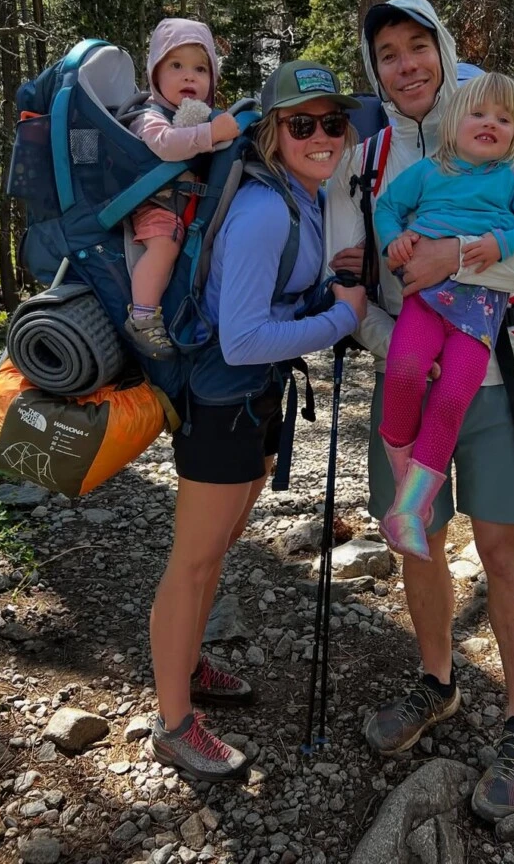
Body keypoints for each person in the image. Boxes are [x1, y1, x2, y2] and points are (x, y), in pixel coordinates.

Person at [325, 0, 514, 822]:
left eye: (417, 46)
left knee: (502, 548)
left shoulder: (502, 132)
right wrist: (380, 334)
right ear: (375, 70)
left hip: (494, 376)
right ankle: (436, 681)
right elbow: (350, 278)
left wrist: (456, 259)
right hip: (406, 376)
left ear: (442, 49)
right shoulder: (361, 163)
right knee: (418, 540)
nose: (406, 65)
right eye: (388, 54)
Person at [149, 60, 367, 782]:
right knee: (195, 561)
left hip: (253, 398)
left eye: (331, 122)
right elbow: (241, 336)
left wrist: (325, 292)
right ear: (272, 133)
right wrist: (341, 317)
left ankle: (186, 667)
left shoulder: (300, 198)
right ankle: (173, 723)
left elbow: (269, 311)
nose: (320, 135)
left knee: (218, 550)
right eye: (299, 123)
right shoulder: (265, 208)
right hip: (221, 400)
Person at [373, 72, 514, 561]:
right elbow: (387, 206)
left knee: (451, 399)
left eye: (504, 118)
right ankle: (406, 487)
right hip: (425, 299)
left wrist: (500, 243)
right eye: (478, 114)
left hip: (480, 312)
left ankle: (409, 509)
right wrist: (394, 240)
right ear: (453, 123)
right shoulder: (431, 170)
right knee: (406, 369)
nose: (490, 124)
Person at [125, 18, 241, 360]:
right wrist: (210, 135)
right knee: (163, 247)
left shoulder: (196, 115)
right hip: (153, 204)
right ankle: (143, 318)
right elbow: (165, 145)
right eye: (176, 65)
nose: (189, 75)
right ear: (155, 74)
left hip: (182, 206)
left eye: (200, 68)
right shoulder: (150, 115)